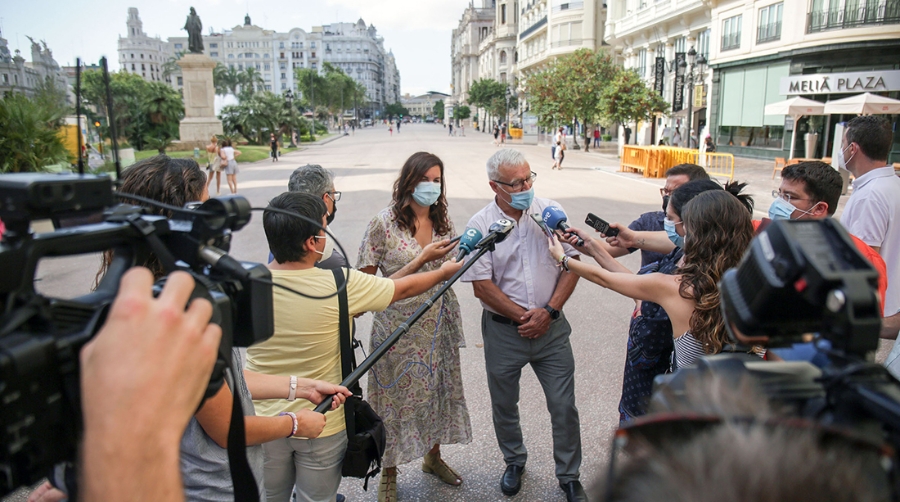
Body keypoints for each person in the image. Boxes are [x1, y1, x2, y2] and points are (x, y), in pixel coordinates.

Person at [247, 192, 463, 502]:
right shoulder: (339, 284)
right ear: (311, 242)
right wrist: (441, 272)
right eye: (324, 228)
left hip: (264, 422)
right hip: (323, 420)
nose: (327, 235)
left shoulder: (246, 286)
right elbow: (401, 290)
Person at [460, 149, 586, 502]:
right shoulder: (481, 225)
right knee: (504, 403)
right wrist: (524, 317)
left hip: (553, 329)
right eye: (516, 182)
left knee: (564, 406)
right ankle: (514, 461)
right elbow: (482, 286)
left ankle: (569, 475)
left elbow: (572, 265)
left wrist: (549, 311)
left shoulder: (548, 214)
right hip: (504, 332)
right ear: (494, 186)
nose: (525, 186)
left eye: (529, 178)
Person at [358, 152, 472, 502]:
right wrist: (422, 260)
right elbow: (366, 287)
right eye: (426, 180)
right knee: (392, 401)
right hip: (397, 328)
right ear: (409, 181)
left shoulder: (442, 221)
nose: (432, 187)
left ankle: (432, 457)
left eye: (438, 180)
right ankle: (388, 472)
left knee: (436, 391)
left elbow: (452, 266)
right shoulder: (383, 223)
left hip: (437, 324)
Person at [550, 188, 755, 371]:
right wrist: (592, 247)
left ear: (697, 234)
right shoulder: (753, 281)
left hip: (691, 402)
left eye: (681, 225)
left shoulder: (676, 287)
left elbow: (605, 279)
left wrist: (563, 258)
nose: (676, 230)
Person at [839, 116, 900, 324]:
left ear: (853, 149)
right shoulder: (892, 184)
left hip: (874, 310)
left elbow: (865, 260)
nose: (842, 150)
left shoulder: (870, 196)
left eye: (843, 145)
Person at [598, 164, 709, 268]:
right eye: (665, 191)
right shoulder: (650, 222)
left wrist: (633, 239)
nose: (667, 197)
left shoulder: (706, 240)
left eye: (675, 192)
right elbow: (638, 284)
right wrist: (583, 241)